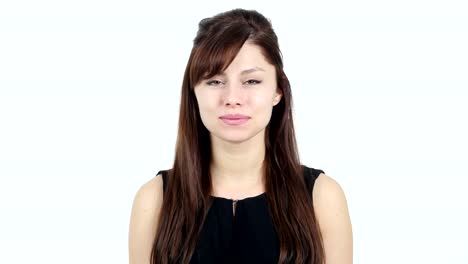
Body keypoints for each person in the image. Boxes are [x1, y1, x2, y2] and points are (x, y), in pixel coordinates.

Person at [128, 8, 352, 264]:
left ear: (278, 91)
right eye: (214, 81)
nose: (232, 99)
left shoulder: (322, 198)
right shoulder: (154, 201)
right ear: (193, 92)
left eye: (251, 81)